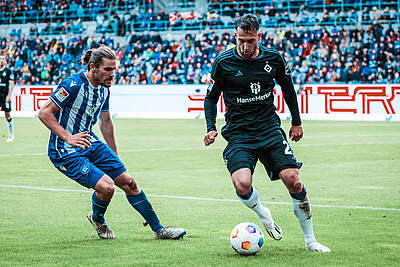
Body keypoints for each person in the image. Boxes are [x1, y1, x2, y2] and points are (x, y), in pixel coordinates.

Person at [203, 14, 330, 252]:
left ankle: (311, 240)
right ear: (234, 36)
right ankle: (263, 213)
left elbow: (289, 89)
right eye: (241, 40)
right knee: (242, 184)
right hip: (239, 134)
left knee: (293, 180)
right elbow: (210, 98)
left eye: (250, 40)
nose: (246, 45)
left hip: (270, 130)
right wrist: (211, 128)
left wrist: (296, 122)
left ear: (259, 36)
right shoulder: (223, 62)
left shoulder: (274, 59)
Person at [38, 46, 186, 240]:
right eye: (108, 69)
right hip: (66, 151)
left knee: (129, 182)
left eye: (114, 69)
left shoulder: (104, 90)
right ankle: (98, 219)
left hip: (90, 142)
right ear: (93, 67)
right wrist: (68, 137)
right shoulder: (72, 84)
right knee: (107, 188)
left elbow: (106, 122)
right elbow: (44, 112)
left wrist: (114, 155)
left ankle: (159, 230)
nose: (112, 74)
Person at [0, 54, 15, 142]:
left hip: (4, 96)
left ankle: (11, 135)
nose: (1, 60)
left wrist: (8, 96)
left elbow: (11, 84)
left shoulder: (8, 71)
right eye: (0, 59)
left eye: (3, 59)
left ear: (5, 61)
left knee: (7, 115)